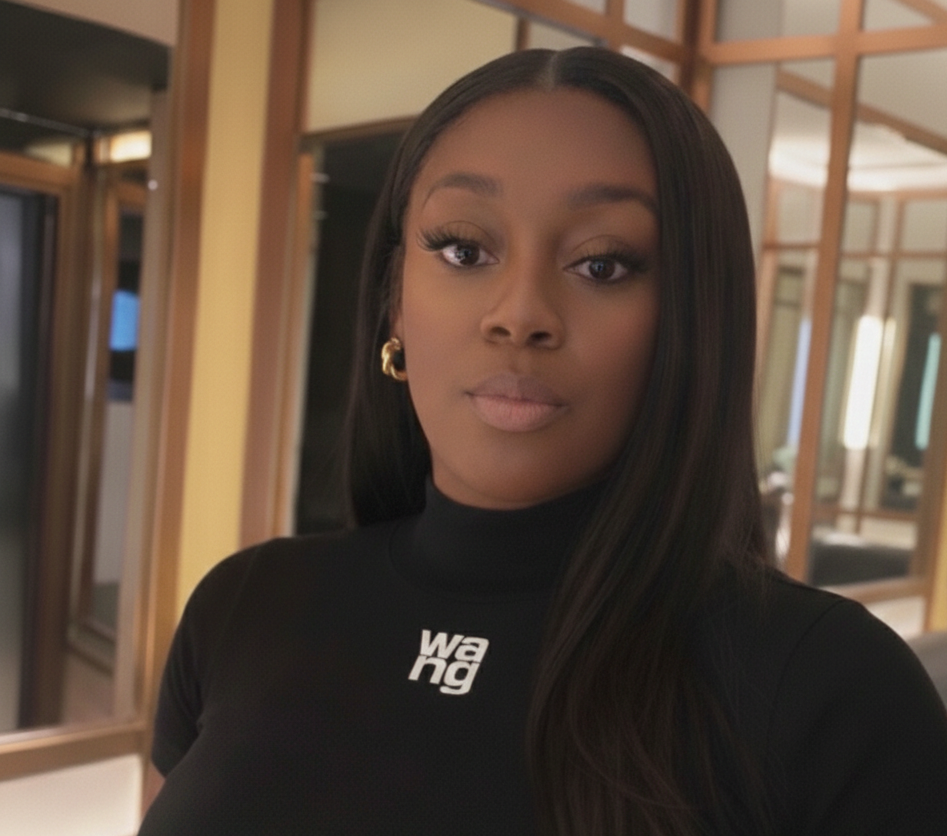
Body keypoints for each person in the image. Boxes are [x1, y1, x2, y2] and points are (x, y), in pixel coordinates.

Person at [138, 47, 947, 835]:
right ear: (394, 304)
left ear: (691, 320)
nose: (518, 313)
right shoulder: (243, 606)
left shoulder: (832, 692)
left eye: (602, 264)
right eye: (463, 249)